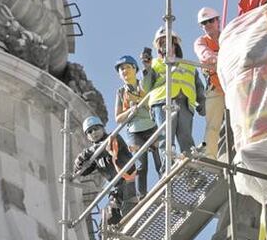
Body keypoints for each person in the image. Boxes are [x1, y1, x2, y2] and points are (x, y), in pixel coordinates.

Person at [143, 27, 205, 160]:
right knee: (166, 138)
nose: (165, 46)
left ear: (175, 44)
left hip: (185, 103)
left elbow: (198, 86)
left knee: (186, 139)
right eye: (162, 43)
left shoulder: (188, 65)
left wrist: (203, 104)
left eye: (168, 42)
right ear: (158, 47)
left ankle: (192, 173)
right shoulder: (154, 64)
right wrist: (147, 68)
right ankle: (167, 168)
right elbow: (146, 87)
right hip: (162, 103)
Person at [72, 116, 137, 226]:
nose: (93, 133)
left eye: (96, 128)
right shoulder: (95, 156)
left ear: (102, 128)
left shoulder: (114, 138)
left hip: (128, 180)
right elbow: (84, 171)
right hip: (117, 188)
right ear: (87, 137)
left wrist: (84, 154)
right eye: (89, 132)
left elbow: (103, 148)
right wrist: (78, 164)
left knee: (128, 213)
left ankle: (130, 230)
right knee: (107, 221)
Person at [113, 55, 162, 198]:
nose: (124, 71)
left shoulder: (143, 85)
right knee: (141, 165)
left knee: (161, 160)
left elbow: (155, 100)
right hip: (134, 132)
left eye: (127, 67)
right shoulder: (121, 93)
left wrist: (143, 103)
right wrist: (130, 110)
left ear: (135, 69)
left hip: (151, 125)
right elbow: (118, 118)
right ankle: (142, 197)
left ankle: (166, 187)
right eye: (121, 69)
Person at [192, 7, 226, 156]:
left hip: (232, 87)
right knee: (213, 126)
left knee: (238, 123)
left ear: (218, 21)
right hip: (216, 89)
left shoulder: (228, 37)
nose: (208, 25)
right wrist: (224, 59)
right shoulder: (201, 42)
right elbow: (205, 56)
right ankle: (211, 157)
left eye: (211, 21)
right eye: (204, 23)